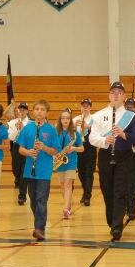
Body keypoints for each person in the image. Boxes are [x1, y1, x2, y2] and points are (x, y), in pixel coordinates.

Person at [89, 82, 135, 241]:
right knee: (107, 190)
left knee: (120, 191)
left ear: (124, 96)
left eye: (120, 92)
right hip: (105, 155)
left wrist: (124, 135)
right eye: (113, 92)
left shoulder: (132, 116)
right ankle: (112, 221)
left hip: (124, 156)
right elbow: (92, 138)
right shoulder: (98, 115)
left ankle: (117, 226)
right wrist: (105, 140)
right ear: (109, 95)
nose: (116, 95)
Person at [17, 100, 59, 241]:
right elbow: (20, 149)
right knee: (33, 201)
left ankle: (39, 228)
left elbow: (55, 151)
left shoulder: (51, 130)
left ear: (47, 113)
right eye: (37, 109)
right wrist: (28, 152)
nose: (39, 111)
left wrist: (44, 148)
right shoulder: (27, 128)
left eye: (42, 109)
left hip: (44, 171)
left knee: (41, 199)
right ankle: (39, 223)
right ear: (33, 111)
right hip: (30, 170)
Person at [54, 108, 83, 219]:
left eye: (67, 118)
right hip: (60, 161)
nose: (65, 120)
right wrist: (55, 155)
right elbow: (53, 147)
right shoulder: (56, 132)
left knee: (67, 184)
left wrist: (74, 148)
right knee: (62, 186)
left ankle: (65, 209)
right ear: (60, 120)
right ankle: (69, 205)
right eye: (63, 118)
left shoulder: (75, 133)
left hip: (71, 162)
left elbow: (82, 148)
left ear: (70, 120)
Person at [7, 102, 31, 206]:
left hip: (25, 147)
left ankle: (22, 195)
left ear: (27, 111)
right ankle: (19, 181)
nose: (22, 111)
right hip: (16, 146)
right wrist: (17, 129)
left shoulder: (31, 123)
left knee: (23, 172)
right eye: (20, 109)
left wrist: (23, 128)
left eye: (24, 109)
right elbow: (11, 138)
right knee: (16, 169)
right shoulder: (12, 122)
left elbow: (30, 137)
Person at [74, 99, 96, 206]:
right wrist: (73, 127)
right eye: (83, 106)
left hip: (90, 147)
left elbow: (100, 131)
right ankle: (85, 191)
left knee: (89, 172)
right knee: (81, 173)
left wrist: (89, 127)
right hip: (79, 147)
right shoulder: (75, 119)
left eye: (87, 106)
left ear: (90, 107)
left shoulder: (94, 119)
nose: (85, 108)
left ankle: (88, 195)